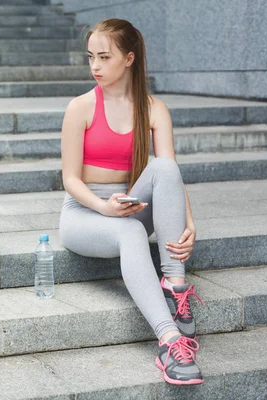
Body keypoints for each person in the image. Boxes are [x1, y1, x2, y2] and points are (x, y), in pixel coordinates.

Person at [58, 18, 204, 385]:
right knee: (130, 234)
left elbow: (170, 175)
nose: (94, 66)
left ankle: (174, 283)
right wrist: (104, 207)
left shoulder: (154, 109)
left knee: (165, 165)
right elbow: (70, 179)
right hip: (85, 212)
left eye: (104, 57)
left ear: (129, 59)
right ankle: (170, 340)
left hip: (130, 203)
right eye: (90, 56)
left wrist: (189, 223)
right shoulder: (80, 107)